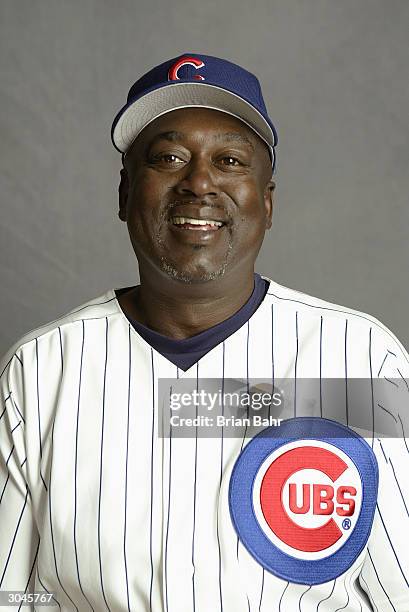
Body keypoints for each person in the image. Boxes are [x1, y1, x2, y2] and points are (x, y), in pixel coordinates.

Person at [0, 53, 408, 611]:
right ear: (124, 195)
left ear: (266, 201)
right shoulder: (42, 369)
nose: (198, 182)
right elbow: (11, 595)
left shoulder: (360, 360)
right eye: (168, 157)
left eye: (231, 160)